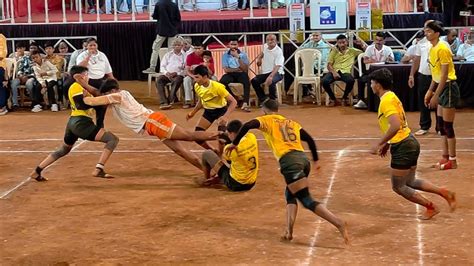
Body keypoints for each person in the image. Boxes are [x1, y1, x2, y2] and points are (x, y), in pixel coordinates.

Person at [229, 99, 349, 244]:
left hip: (290, 163)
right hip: (303, 160)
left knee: (306, 200)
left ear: (264, 110)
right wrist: (316, 160)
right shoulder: (290, 122)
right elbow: (310, 139)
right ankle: (288, 231)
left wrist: (234, 144)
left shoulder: (266, 120)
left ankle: (338, 223)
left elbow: (248, 125)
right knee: (290, 193)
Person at [77, 78, 221, 171]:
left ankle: (223, 136)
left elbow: (93, 101)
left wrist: (83, 95)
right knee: (180, 151)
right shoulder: (119, 95)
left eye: (107, 93)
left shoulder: (117, 95)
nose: (106, 96)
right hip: (152, 124)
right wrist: (83, 83)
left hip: (153, 122)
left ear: (113, 90)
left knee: (189, 136)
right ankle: (209, 171)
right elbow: (98, 94)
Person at [369, 68, 456, 219]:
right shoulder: (391, 96)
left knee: (398, 186)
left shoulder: (385, 102)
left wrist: (380, 143)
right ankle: (444, 193)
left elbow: (395, 125)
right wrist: (388, 143)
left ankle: (431, 207)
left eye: (372, 83)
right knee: (410, 181)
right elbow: (400, 124)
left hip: (403, 147)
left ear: (378, 85)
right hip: (410, 142)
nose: (370, 85)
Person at [29, 66, 119, 182]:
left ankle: (36, 171)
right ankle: (99, 168)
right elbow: (80, 105)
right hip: (81, 123)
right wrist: (96, 103)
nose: (88, 77)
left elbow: (99, 113)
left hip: (73, 123)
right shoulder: (76, 86)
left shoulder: (85, 89)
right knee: (112, 139)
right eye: (86, 74)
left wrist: (99, 124)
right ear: (81, 76)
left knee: (64, 150)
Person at [424, 21, 460, 170]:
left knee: (448, 126)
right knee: (440, 126)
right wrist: (430, 91)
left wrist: (435, 96)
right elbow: (436, 74)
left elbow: (445, 75)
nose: (426, 33)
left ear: (437, 33)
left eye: (429, 31)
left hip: (449, 88)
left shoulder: (443, 48)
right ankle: (445, 157)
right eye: (425, 31)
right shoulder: (432, 49)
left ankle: (453, 160)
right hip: (440, 87)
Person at [186, 65, 237, 152]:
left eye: (197, 77)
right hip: (208, 112)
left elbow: (233, 102)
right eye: (194, 77)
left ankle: (221, 155)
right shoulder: (197, 86)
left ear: (205, 77)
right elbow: (201, 101)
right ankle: (213, 151)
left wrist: (225, 116)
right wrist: (193, 113)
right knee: (197, 136)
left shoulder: (218, 87)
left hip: (221, 111)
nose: (195, 80)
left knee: (222, 139)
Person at [200, 119, 258, 191]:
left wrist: (219, 176)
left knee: (207, 154)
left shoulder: (229, 149)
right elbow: (237, 137)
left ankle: (207, 180)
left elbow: (228, 164)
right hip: (251, 183)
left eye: (229, 133)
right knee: (237, 163)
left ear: (232, 133)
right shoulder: (252, 137)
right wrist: (221, 133)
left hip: (235, 184)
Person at [354, 32, 394, 109]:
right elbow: (365, 61)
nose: (378, 42)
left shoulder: (388, 49)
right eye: (377, 40)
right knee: (361, 80)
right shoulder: (369, 48)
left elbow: (392, 61)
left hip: (383, 73)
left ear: (384, 41)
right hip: (371, 72)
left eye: (380, 40)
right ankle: (361, 101)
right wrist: (373, 61)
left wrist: (389, 59)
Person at [323, 34, 364, 106]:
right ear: (337, 43)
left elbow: (366, 53)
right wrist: (334, 72)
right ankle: (332, 98)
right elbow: (329, 64)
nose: (342, 44)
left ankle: (344, 98)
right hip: (334, 71)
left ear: (347, 42)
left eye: (343, 42)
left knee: (351, 81)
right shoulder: (334, 51)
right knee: (324, 81)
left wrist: (362, 45)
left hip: (345, 72)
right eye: (340, 43)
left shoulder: (353, 51)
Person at [143, 0, 181, 74]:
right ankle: (171, 68)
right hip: (172, 30)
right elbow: (178, 18)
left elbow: (155, 16)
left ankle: (152, 67)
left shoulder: (159, 4)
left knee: (155, 49)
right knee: (171, 50)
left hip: (161, 30)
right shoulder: (174, 5)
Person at [219, 38, 251, 112]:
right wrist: (238, 69)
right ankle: (234, 99)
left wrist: (238, 57)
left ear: (238, 45)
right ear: (229, 45)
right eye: (232, 44)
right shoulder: (225, 55)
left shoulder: (243, 55)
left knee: (247, 81)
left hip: (241, 74)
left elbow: (245, 69)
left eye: (235, 44)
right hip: (230, 74)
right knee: (222, 82)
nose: (233, 46)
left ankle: (245, 103)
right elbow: (226, 70)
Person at [251, 34, 284, 104]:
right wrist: (259, 58)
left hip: (277, 72)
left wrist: (271, 76)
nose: (269, 42)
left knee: (271, 81)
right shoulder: (265, 46)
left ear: (276, 41)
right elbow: (262, 53)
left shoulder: (278, 51)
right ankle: (263, 99)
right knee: (254, 81)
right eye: (268, 40)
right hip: (266, 72)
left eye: (272, 40)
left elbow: (278, 66)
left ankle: (273, 101)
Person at [156, 39, 186, 109]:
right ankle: (164, 102)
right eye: (175, 45)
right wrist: (166, 73)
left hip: (178, 75)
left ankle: (169, 100)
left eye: (178, 45)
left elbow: (185, 69)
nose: (177, 47)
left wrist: (177, 73)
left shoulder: (184, 56)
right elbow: (162, 66)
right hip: (167, 75)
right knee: (159, 80)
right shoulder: (168, 55)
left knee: (176, 80)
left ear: (181, 46)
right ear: (173, 46)